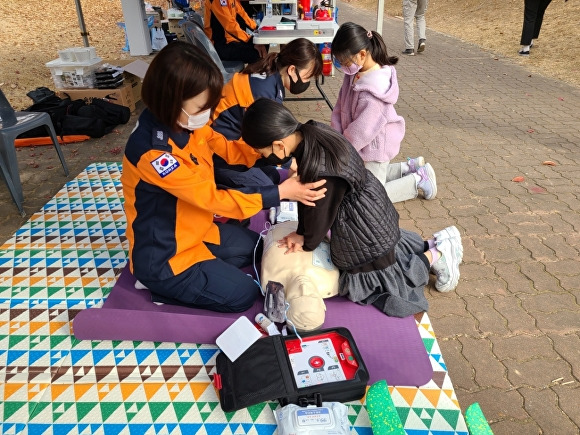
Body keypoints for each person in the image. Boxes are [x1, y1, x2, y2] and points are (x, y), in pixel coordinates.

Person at [120, 42, 327, 313]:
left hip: (197, 230)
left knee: (256, 248)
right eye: (200, 107)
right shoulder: (154, 153)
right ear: (171, 99)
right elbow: (213, 199)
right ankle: (157, 285)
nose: (207, 114)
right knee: (244, 294)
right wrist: (280, 193)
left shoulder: (185, 122)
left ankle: (206, 271)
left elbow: (225, 147)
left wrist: (271, 154)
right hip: (166, 254)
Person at [241, 99, 464, 318]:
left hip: (361, 224)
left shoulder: (319, 172)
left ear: (279, 144)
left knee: (374, 279)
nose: (263, 158)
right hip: (370, 206)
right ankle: (436, 242)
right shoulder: (311, 130)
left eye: (262, 153)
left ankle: (439, 254)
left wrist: (305, 239)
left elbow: (318, 217)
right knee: (387, 251)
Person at [330, 22, 436, 203]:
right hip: (360, 144)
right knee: (367, 177)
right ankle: (409, 167)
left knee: (371, 199)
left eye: (346, 62)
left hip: (375, 145)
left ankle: (418, 179)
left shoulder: (374, 91)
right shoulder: (354, 73)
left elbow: (362, 130)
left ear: (362, 54)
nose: (344, 67)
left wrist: (343, 149)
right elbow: (340, 107)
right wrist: (337, 137)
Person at [211, 37, 323, 190]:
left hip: (236, 143)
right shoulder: (264, 93)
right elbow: (267, 139)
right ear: (291, 70)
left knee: (274, 176)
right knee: (268, 188)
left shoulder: (268, 73)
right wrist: (290, 163)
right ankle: (222, 185)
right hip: (222, 154)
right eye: (306, 77)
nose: (306, 82)